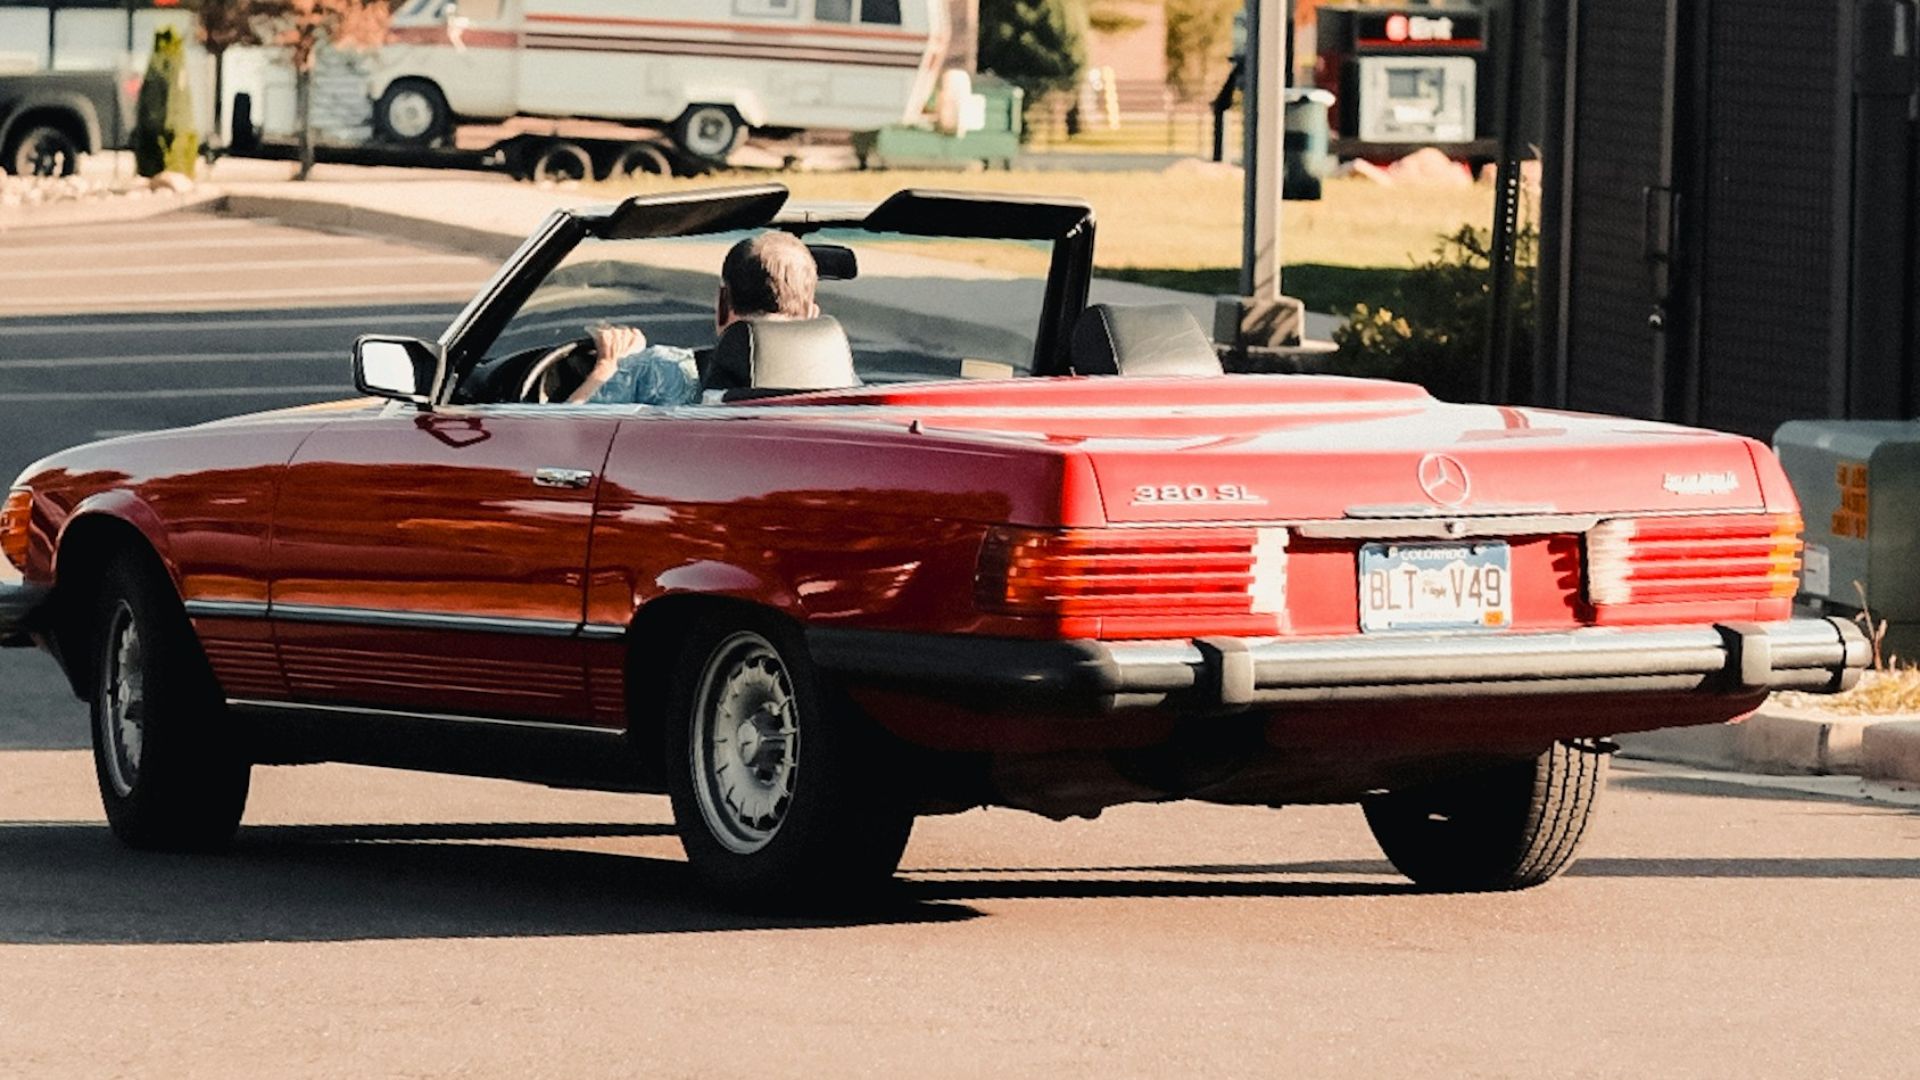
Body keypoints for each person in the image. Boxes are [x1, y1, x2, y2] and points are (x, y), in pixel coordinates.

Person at [566, 230, 822, 405]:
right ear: (812, 316)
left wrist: (608, 366)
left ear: (722, 304)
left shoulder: (656, 371)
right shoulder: (846, 391)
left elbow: (562, 438)